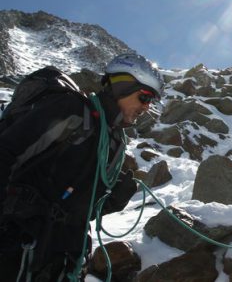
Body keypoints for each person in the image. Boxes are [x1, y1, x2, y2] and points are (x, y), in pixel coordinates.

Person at [0, 53, 164, 281]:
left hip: (62, 258)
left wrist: (113, 200)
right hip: (18, 247)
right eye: (144, 97)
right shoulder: (72, 110)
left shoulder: (112, 142)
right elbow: (6, 152)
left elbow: (81, 209)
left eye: (151, 101)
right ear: (122, 87)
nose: (146, 107)